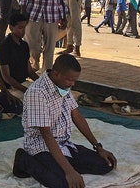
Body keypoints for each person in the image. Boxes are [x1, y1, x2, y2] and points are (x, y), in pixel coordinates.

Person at [13, 54, 116, 188]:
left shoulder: (62, 85)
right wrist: (69, 171)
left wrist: (98, 147)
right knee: (64, 184)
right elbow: (47, 135)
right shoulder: (37, 92)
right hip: (41, 146)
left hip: (63, 144)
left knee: (106, 164)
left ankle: (61, 164)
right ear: (56, 74)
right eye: (70, 80)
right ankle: (23, 160)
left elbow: (76, 115)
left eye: (74, 80)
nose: (72, 84)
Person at [0, 12, 41, 93]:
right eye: (20, 28)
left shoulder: (24, 45)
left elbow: (30, 71)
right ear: (11, 27)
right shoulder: (3, 47)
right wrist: (26, 90)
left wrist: (43, 84)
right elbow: (6, 77)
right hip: (11, 88)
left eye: (24, 27)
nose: (23, 31)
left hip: (24, 84)